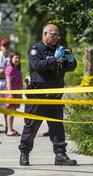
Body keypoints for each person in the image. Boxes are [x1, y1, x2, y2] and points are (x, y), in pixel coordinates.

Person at [19, 23, 77, 166]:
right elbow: (38, 66)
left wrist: (70, 59)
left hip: (55, 96)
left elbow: (71, 67)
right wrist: (54, 59)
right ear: (45, 34)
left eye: (57, 35)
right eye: (53, 34)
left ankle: (60, 154)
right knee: (31, 127)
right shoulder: (36, 50)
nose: (56, 37)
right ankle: (24, 153)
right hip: (38, 97)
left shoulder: (59, 49)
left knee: (57, 127)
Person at [5, 51, 23, 136]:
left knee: (13, 111)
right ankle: (9, 130)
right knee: (10, 112)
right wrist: (11, 94)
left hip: (17, 94)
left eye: (18, 58)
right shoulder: (11, 69)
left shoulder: (16, 68)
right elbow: (9, 82)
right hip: (12, 94)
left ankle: (11, 128)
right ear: (11, 59)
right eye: (15, 58)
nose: (17, 59)